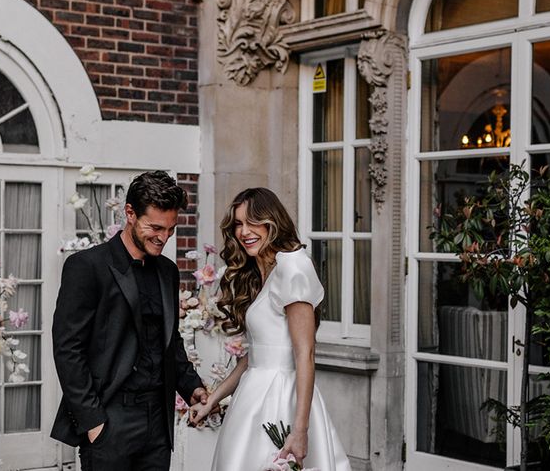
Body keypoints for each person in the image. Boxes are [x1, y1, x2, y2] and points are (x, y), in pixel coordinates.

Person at [51, 170, 208, 471]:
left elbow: (169, 341)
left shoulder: (168, 271)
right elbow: (68, 349)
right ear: (130, 213)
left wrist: (192, 387)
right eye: (155, 227)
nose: (163, 238)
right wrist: (93, 422)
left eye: (171, 229)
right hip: (110, 418)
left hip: (157, 422)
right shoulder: (86, 266)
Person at [189, 187, 351, 471]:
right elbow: (256, 356)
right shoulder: (263, 272)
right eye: (238, 224)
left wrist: (300, 431)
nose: (244, 231)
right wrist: (212, 399)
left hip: (281, 401)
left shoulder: (293, 267)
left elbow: (305, 353)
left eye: (253, 222)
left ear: (272, 222)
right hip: (251, 398)